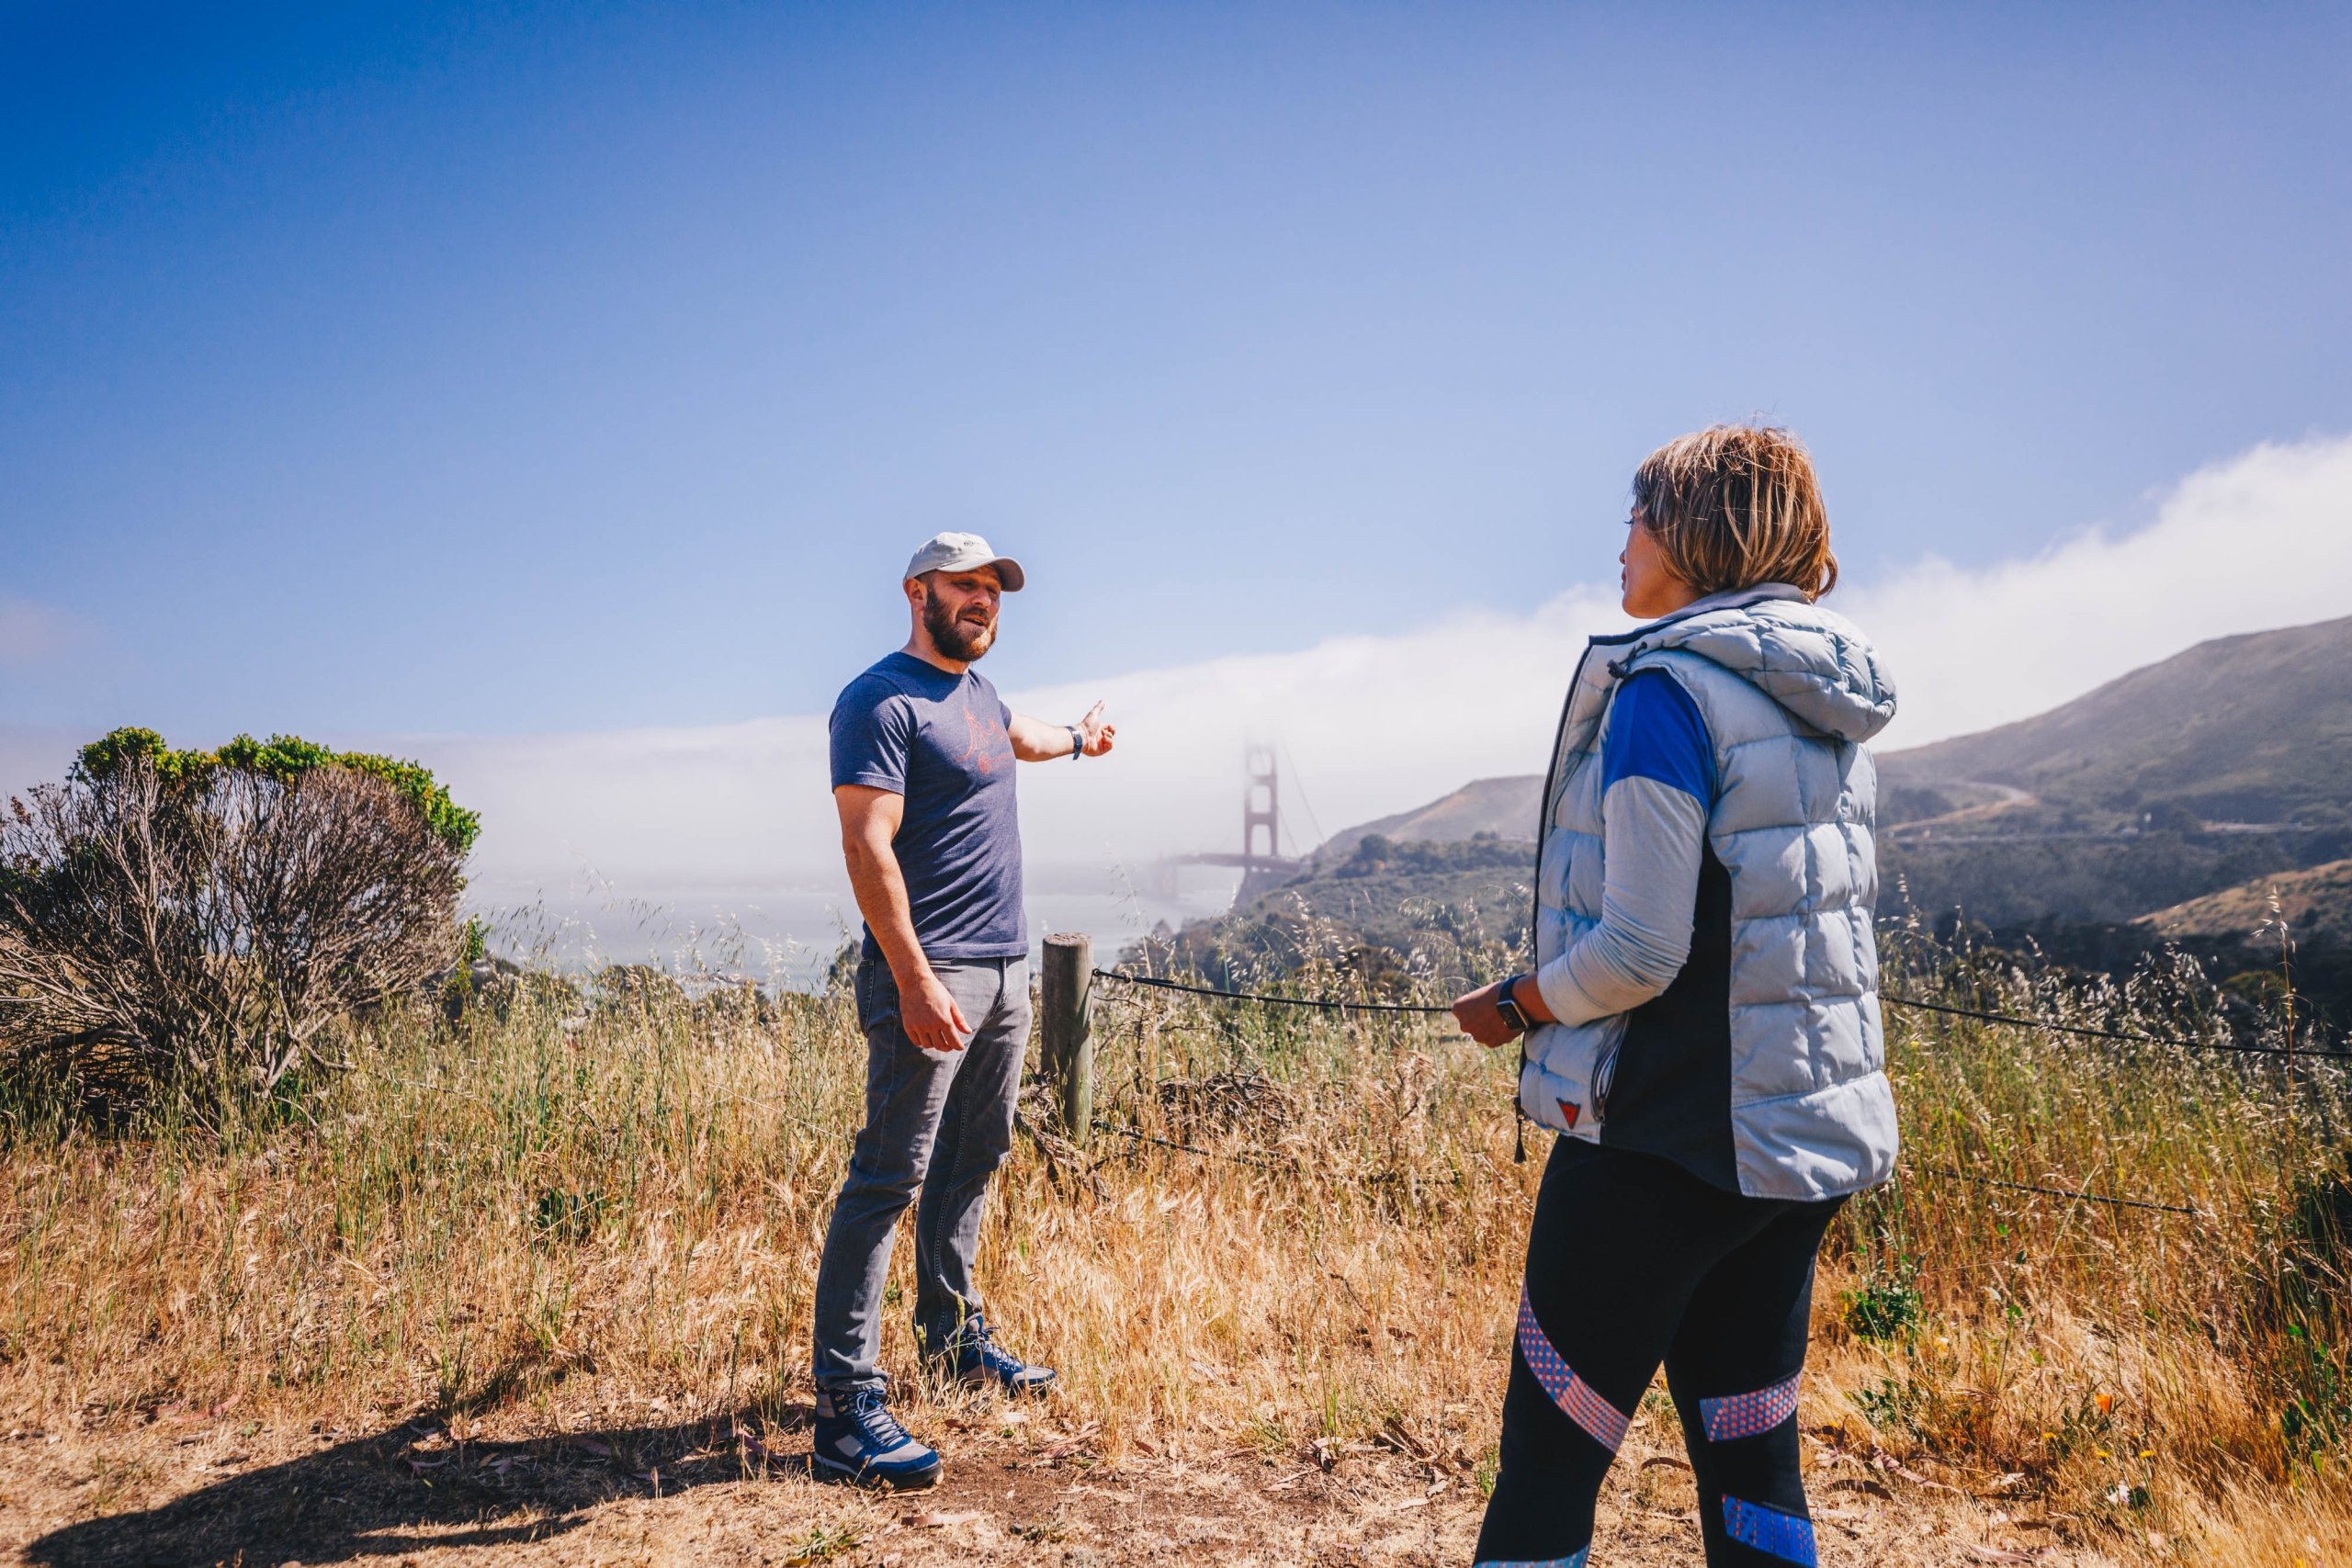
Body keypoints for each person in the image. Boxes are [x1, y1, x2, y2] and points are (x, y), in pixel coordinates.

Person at [1452, 425, 1898, 1568]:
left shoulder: (1667, 692)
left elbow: (1642, 950)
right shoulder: (1820, 696)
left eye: (1639, 517)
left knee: (1550, 1459)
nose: (1622, 544)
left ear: (1696, 534)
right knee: (1752, 1453)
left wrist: (1517, 1003)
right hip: (1794, 1149)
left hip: (1661, 1140)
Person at [809, 530, 1116, 1490]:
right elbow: (867, 846)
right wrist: (910, 978)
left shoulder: (976, 696)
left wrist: (1079, 740)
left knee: (975, 1156)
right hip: (932, 972)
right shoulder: (879, 700)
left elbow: (1018, 739)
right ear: (917, 591)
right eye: (964, 586)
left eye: (993, 589)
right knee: (887, 1179)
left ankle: (949, 1340)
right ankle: (844, 1409)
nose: (982, 601)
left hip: (1002, 968)